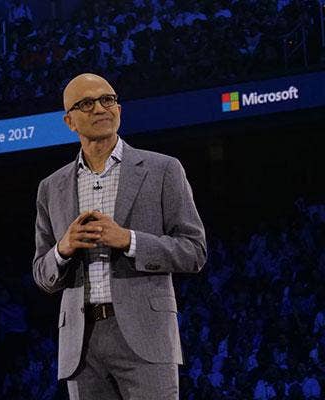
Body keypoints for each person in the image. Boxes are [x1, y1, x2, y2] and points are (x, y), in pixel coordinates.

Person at [32, 73, 207, 399]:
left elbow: (194, 250)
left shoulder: (163, 169)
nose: (100, 108)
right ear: (69, 121)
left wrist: (129, 240)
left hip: (145, 336)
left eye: (107, 99)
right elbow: (42, 273)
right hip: (81, 347)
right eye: (87, 103)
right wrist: (63, 249)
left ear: (119, 109)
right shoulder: (51, 188)